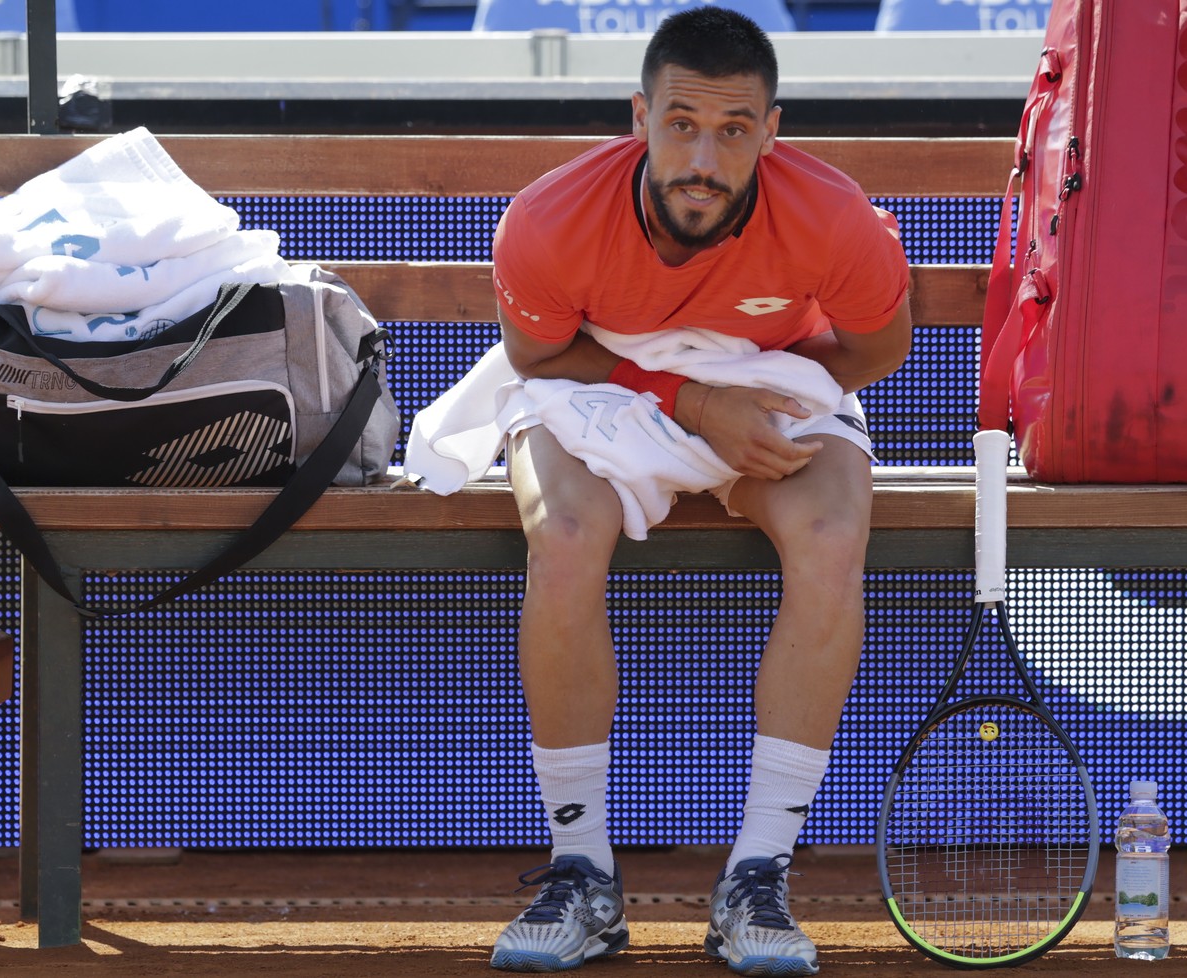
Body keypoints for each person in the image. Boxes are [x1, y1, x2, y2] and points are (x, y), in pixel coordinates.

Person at [486, 8, 912, 975]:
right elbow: (538, 356)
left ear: (771, 129)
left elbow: (879, 351)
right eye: (681, 123)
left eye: (732, 130)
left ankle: (757, 878)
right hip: (603, 383)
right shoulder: (550, 220)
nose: (703, 158)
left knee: (834, 533)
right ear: (640, 117)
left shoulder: (835, 217)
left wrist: (755, 397)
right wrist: (689, 398)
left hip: (770, 373)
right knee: (561, 534)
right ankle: (580, 873)